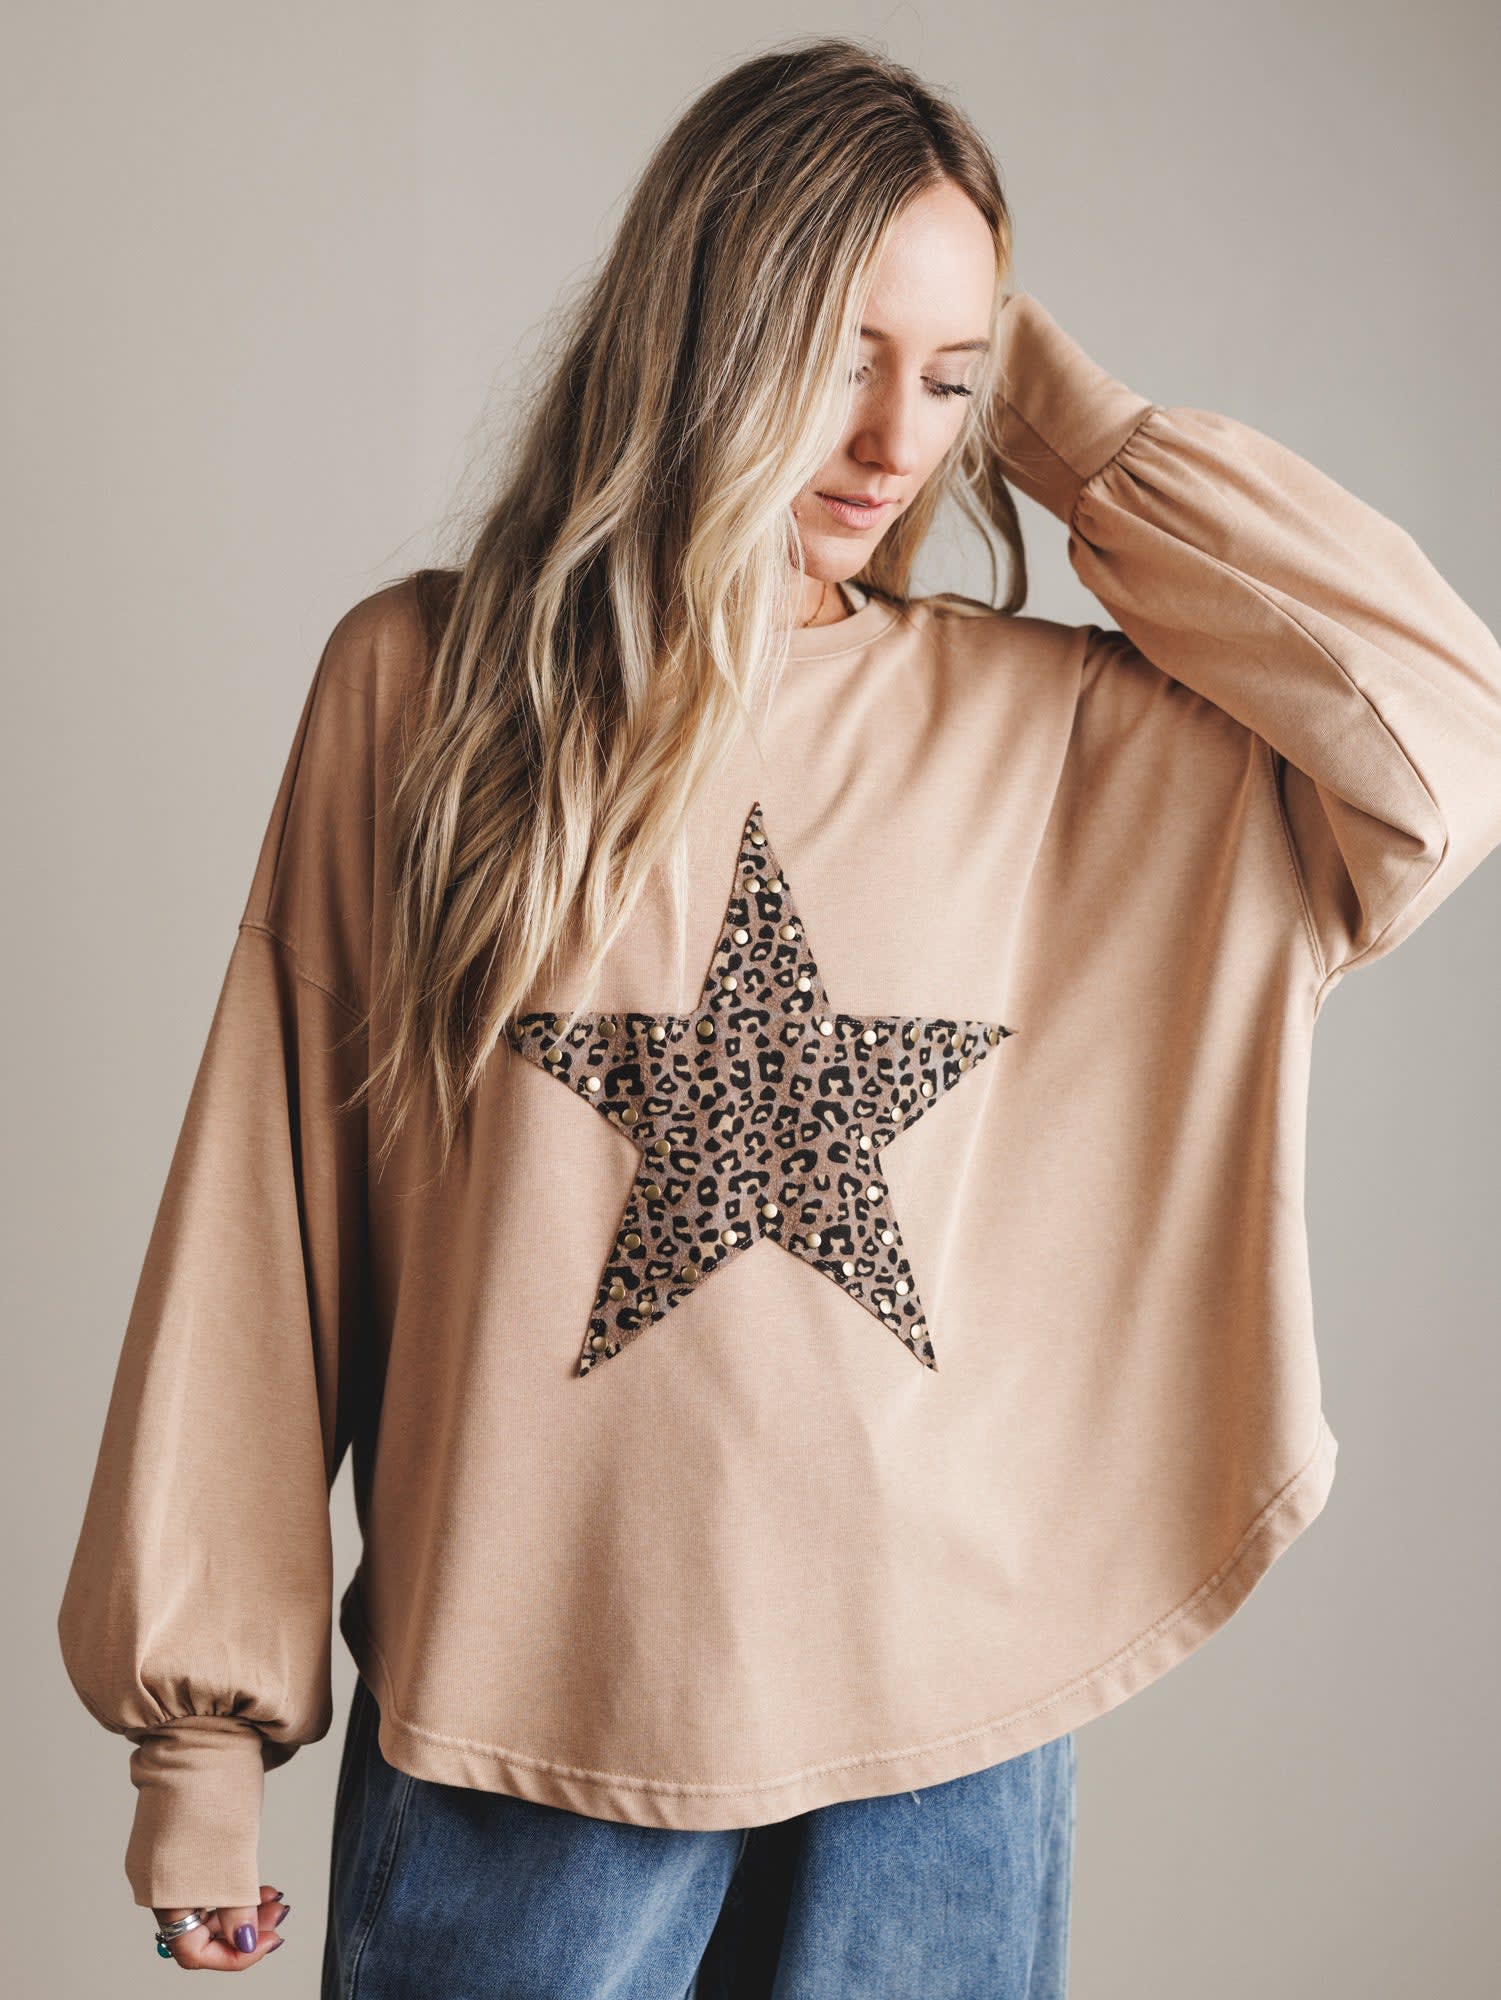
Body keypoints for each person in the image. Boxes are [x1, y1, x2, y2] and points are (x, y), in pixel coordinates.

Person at [55, 32, 1501, 1996]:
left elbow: (1439, 743)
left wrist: (1078, 435)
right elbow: (264, 1227)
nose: (896, 439)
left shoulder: (1051, 733)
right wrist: (200, 1748)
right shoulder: (430, 690)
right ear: (703, 326)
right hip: (523, 1732)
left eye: (952, 379)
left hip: (948, 1747)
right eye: (836, 351)